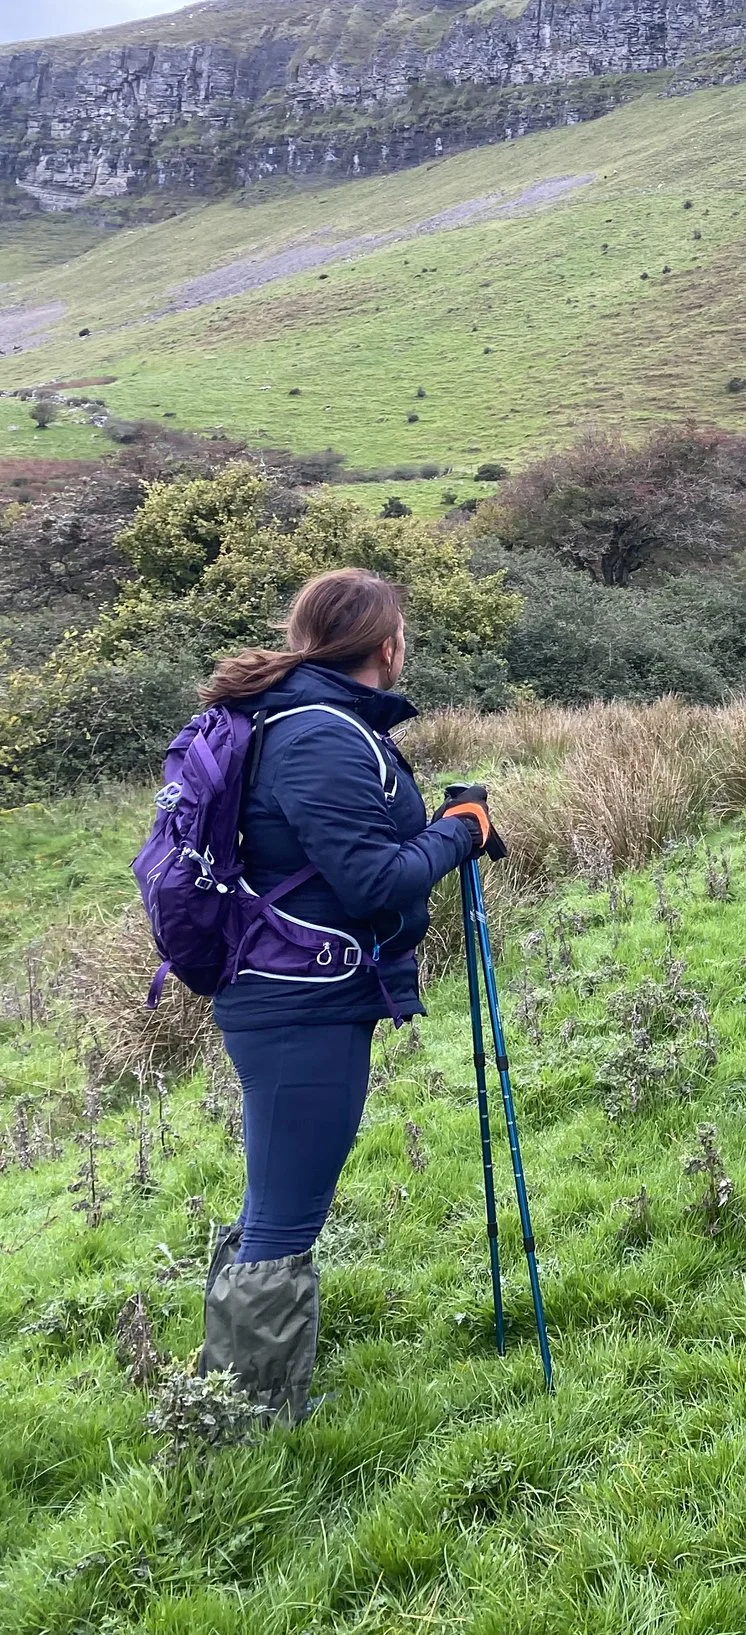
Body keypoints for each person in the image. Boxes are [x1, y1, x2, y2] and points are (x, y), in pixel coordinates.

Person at [194, 567, 497, 1421]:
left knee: (274, 1195)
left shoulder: (298, 716)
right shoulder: (319, 733)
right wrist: (460, 830)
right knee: (287, 1213)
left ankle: (229, 1385)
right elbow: (371, 881)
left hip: (292, 990)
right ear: (387, 644)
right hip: (299, 1005)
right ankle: (243, 1424)